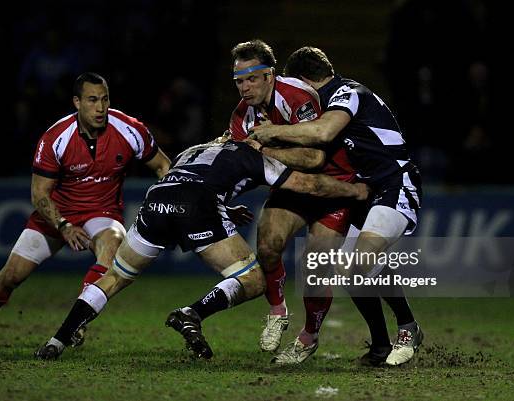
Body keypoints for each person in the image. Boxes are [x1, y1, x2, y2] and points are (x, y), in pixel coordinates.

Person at [34, 135, 369, 360]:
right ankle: (192, 312)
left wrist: (221, 206)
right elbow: (307, 183)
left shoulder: (192, 150)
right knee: (253, 279)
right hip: (195, 204)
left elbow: (200, 177)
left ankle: (57, 340)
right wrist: (353, 192)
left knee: (114, 277)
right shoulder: (252, 154)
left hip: (157, 199)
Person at [0, 72, 171, 353]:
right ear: (77, 102)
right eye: (92, 100)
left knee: (113, 246)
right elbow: (39, 195)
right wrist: (64, 225)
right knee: (10, 277)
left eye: (105, 99)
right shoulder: (56, 138)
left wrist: (170, 201)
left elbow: (163, 166)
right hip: (57, 215)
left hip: (102, 211)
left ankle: (78, 321)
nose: (101, 107)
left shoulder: (130, 129)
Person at [250, 47, 424, 366]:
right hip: (367, 190)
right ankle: (381, 347)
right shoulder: (327, 101)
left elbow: (323, 132)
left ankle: (409, 328)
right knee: (350, 270)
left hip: (394, 182)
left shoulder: (347, 92)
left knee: (359, 262)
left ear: (303, 80)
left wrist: (270, 133)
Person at [229, 40, 357, 364]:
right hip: (293, 185)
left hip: (333, 185)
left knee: (314, 270)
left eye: (251, 79)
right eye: (239, 81)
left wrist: (266, 149)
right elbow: (238, 163)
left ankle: (308, 337)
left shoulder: (296, 96)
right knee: (268, 243)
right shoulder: (241, 116)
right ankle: (277, 311)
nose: (244, 88)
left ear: (269, 75)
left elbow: (315, 157)